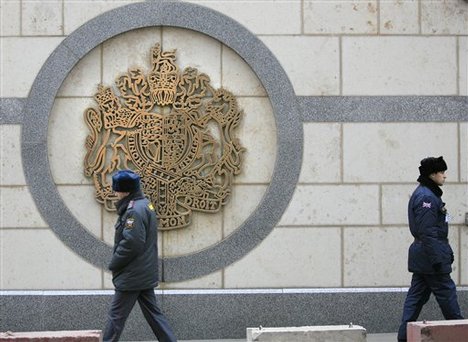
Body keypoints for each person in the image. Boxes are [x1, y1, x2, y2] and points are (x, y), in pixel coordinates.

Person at [103, 169, 177, 342]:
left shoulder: (133, 212)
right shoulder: (144, 204)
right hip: (142, 272)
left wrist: (115, 262)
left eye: (117, 189)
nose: (115, 193)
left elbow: (132, 243)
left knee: (116, 317)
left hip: (132, 275)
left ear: (125, 190)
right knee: (154, 315)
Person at [397, 156, 463, 342]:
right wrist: (438, 260)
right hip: (430, 257)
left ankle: (403, 338)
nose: (445, 176)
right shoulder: (426, 197)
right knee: (447, 297)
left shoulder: (427, 194)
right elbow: (428, 233)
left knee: (415, 299)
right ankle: (461, 333)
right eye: (442, 172)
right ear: (432, 174)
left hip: (424, 256)